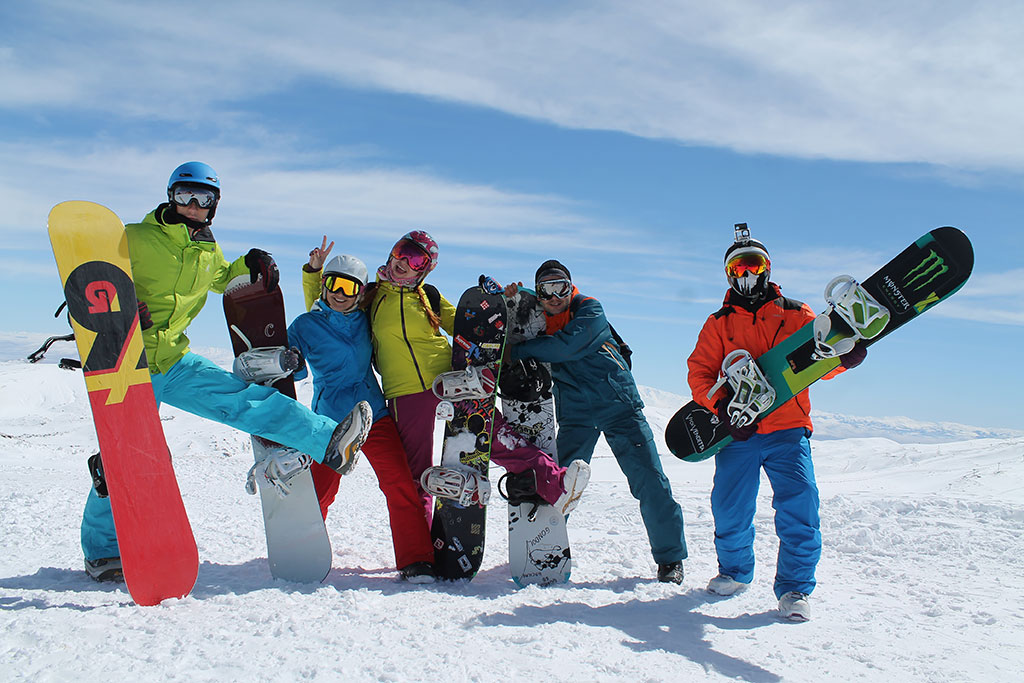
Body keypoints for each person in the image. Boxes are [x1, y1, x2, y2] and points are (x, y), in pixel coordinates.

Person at [80, 162, 371, 582]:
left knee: (245, 399)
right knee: (121, 459)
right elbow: (89, 281)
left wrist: (249, 263)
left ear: (214, 205)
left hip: (174, 361)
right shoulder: (134, 238)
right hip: (129, 363)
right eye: (185, 195)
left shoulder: (204, 249)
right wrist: (122, 311)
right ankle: (103, 550)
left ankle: (329, 440)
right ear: (171, 195)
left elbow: (221, 278)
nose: (194, 205)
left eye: (204, 198)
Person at [686, 228, 866, 621]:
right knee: (730, 507)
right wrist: (722, 408)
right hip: (741, 432)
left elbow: (816, 362)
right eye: (739, 266)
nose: (748, 273)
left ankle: (795, 588)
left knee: (799, 507)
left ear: (767, 269)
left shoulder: (796, 313)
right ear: (729, 273)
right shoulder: (719, 323)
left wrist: (843, 358)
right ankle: (734, 573)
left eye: (756, 264)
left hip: (788, 429)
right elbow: (699, 372)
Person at [364, 232, 588, 522]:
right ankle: (421, 555)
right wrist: (313, 274)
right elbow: (332, 310)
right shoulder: (370, 297)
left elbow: (468, 324)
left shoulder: (428, 296)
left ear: (426, 267)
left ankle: (557, 486)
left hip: (452, 383)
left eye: (417, 258)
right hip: (404, 393)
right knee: (417, 476)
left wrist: (500, 304)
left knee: (500, 439)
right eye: (401, 252)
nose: (404, 262)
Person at [505, 260, 688, 584]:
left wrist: (519, 351)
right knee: (561, 482)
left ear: (571, 286)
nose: (554, 296)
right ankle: (541, 547)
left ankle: (670, 559)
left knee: (650, 481)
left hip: (619, 406)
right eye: (546, 289)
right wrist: (514, 297)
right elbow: (522, 307)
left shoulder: (590, 310)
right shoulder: (538, 318)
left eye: (561, 286)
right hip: (576, 414)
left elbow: (567, 347)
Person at [289, 238, 436, 583]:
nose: (339, 294)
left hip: (373, 415)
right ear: (324, 286)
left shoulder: (365, 317)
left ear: (360, 292)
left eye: (349, 287)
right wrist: (289, 358)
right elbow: (293, 369)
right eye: (333, 284)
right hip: (330, 421)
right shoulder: (305, 325)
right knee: (322, 490)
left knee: (398, 482)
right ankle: (301, 548)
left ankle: (416, 560)